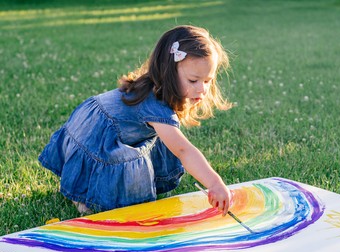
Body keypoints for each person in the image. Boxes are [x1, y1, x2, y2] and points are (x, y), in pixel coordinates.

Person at [39, 25, 232, 216]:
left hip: (91, 121)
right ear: (169, 72)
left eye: (207, 81)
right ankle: (84, 195)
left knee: (161, 139)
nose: (202, 89)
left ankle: (82, 188)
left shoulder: (156, 87)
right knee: (116, 205)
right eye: (193, 80)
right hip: (97, 137)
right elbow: (183, 150)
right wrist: (214, 183)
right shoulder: (155, 104)